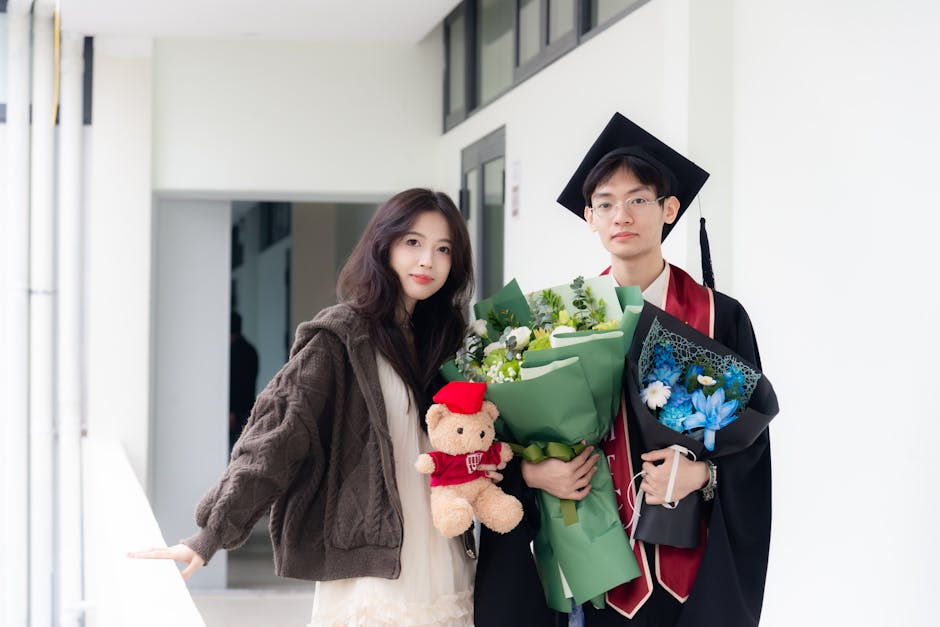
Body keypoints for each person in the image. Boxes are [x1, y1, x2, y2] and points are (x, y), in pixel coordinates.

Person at [475, 113, 772, 627]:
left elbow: (752, 445)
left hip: (690, 571)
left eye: (638, 199)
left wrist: (703, 473)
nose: (622, 215)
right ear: (589, 217)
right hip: (591, 572)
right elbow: (509, 439)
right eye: (606, 203)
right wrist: (535, 473)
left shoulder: (718, 317)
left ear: (669, 209)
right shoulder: (563, 320)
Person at [130, 188, 477, 626]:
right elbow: (277, 433)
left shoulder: (441, 342)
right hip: (373, 561)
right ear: (384, 244)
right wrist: (213, 531)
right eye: (413, 242)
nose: (427, 259)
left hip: (442, 548)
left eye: (443, 249)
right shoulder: (340, 336)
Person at [228, 311, 259, 452]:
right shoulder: (251, 350)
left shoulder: (233, 352)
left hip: (235, 414)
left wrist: (232, 411)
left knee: (231, 451)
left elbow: (235, 384)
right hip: (248, 409)